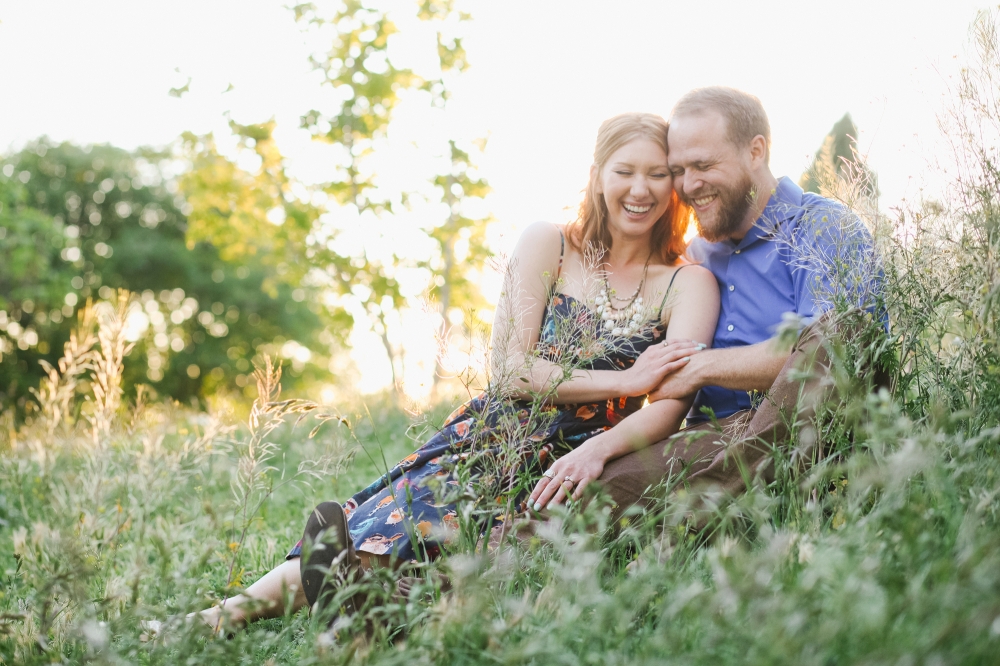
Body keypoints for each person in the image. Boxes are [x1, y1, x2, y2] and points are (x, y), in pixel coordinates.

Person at [163, 112, 720, 633]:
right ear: (598, 175)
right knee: (394, 514)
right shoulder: (549, 242)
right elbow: (509, 372)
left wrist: (597, 450)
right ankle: (218, 619)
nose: (640, 189)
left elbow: (671, 405)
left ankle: (357, 600)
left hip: (580, 457)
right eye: (625, 171)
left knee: (456, 539)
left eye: (658, 174)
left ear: (675, 185)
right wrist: (625, 382)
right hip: (496, 430)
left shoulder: (686, 283)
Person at [597, 87, 881, 519]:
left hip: (815, 432)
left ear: (756, 151)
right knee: (598, 487)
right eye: (679, 170)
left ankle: (704, 506)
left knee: (840, 332)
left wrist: (700, 368)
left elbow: (833, 355)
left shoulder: (825, 228)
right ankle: (467, 570)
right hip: (707, 438)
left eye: (704, 165)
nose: (689, 185)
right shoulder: (694, 258)